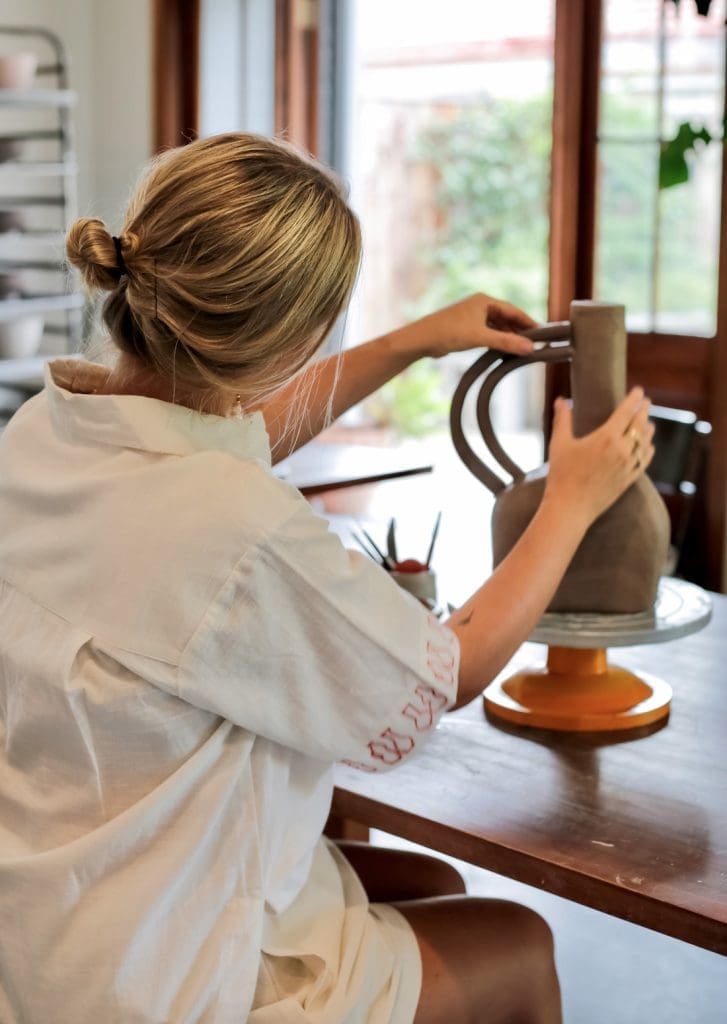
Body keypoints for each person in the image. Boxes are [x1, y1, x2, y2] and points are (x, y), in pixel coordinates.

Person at [0, 133, 654, 1024]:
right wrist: (569, 504)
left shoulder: (47, 432)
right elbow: (441, 677)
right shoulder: (232, 527)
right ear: (288, 344)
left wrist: (416, 341)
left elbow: (233, 432)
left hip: (52, 920)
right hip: (156, 982)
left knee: (425, 878)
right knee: (519, 942)